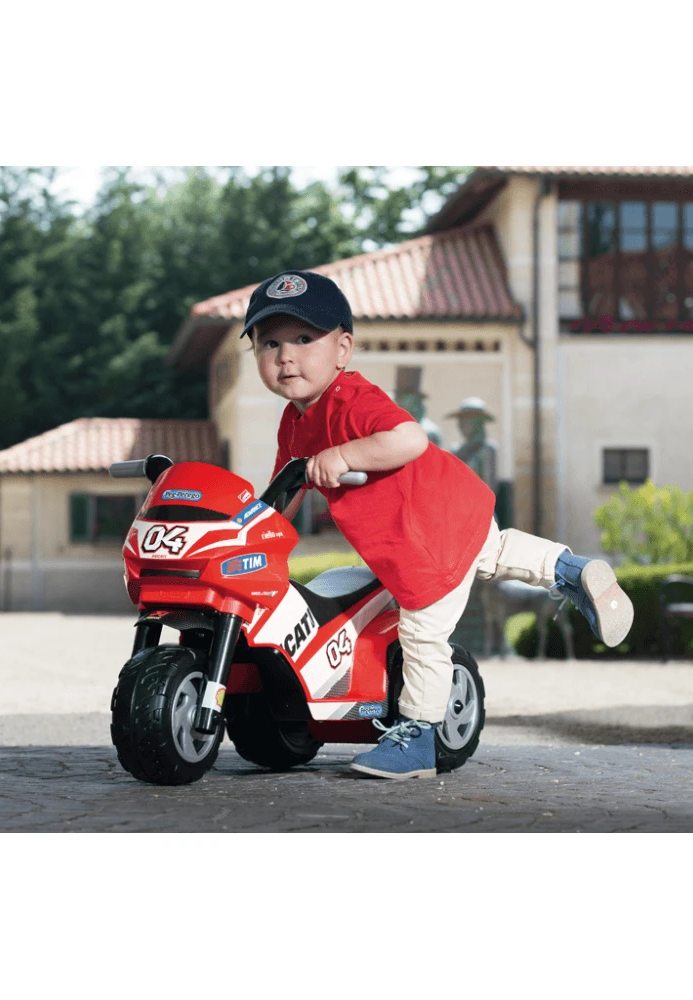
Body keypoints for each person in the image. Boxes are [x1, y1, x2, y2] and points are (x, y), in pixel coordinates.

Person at [245, 270, 634, 780]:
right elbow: (285, 491)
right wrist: (251, 534)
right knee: (492, 551)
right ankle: (570, 570)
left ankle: (420, 737)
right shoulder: (295, 421)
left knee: (421, 632)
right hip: (450, 505)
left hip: (421, 537)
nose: (285, 356)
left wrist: (343, 455)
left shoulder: (351, 399)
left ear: (343, 350)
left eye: (302, 339)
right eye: (269, 343)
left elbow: (409, 439)